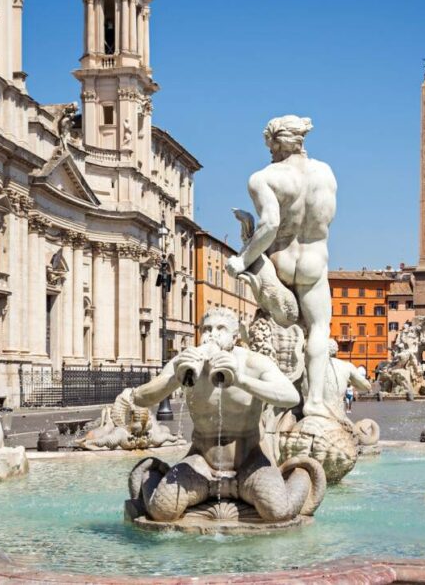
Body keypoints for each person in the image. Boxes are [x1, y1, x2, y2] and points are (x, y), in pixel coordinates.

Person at [130, 307, 321, 522]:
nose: (212, 334)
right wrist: (175, 378)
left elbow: (290, 396)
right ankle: (153, 473)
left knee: (277, 512)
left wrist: (240, 379)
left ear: (235, 336)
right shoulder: (186, 362)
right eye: (207, 328)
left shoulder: (252, 363)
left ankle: (299, 475)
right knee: (161, 512)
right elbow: (140, 398)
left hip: (249, 461)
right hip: (202, 462)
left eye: (221, 329)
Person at [226, 115, 337, 419]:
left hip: (280, 261)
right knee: (318, 328)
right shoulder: (326, 174)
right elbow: (326, 220)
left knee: (271, 325)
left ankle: (270, 401)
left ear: (274, 142)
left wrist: (242, 259)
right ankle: (314, 401)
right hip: (315, 261)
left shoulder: (264, 177)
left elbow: (270, 224)